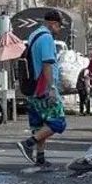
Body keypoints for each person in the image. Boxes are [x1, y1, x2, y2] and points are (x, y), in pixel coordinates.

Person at [16, 10, 68, 166]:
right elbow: (47, 64)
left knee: (39, 125)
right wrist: (52, 87)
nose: (59, 30)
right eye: (59, 26)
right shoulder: (46, 38)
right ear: (53, 23)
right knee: (58, 122)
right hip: (43, 87)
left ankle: (40, 157)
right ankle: (28, 143)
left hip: (32, 87)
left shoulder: (34, 35)